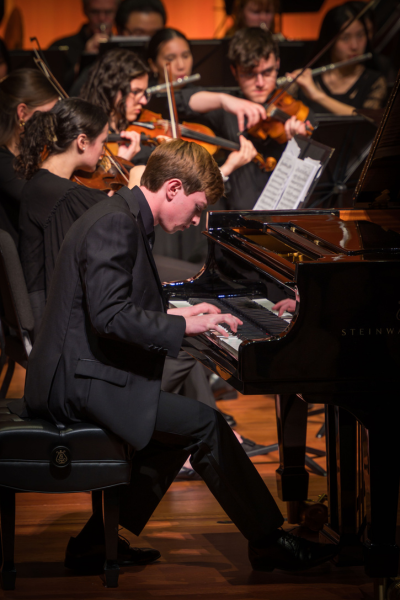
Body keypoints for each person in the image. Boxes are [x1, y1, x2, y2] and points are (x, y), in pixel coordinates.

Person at [12, 139, 338, 573]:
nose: (198, 220)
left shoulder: (124, 215)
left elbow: (110, 304)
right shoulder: (117, 224)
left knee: (179, 429)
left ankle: (97, 542)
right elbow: (110, 316)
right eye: (198, 207)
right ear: (171, 188)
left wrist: (180, 311)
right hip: (75, 381)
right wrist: (183, 325)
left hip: (80, 369)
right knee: (205, 424)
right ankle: (268, 542)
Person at [177, 27, 310, 211]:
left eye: (268, 72)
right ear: (234, 71)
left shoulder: (293, 110)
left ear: (278, 64)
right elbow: (180, 100)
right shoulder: (228, 108)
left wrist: (301, 143)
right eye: (249, 74)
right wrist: (223, 100)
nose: (260, 83)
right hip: (235, 218)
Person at [288, 2, 387, 115]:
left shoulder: (375, 82)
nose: (354, 46)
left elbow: (369, 120)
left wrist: (317, 95)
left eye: (360, 35)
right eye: (345, 38)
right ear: (329, 41)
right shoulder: (307, 79)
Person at [0, 68, 59, 242]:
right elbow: (41, 197)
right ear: (22, 113)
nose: (52, 123)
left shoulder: (31, 151)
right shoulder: (3, 162)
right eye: (47, 114)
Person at [49, 0, 119, 90]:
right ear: (85, 11)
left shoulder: (123, 46)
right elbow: (52, 90)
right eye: (95, 12)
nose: (102, 18)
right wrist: (85, 59)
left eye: (108, 12)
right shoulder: (61, 45)